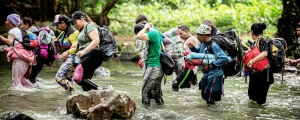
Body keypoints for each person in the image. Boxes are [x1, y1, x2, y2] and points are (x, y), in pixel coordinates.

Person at [187, 24, 228, 105]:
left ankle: (213, 114)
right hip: (206, 73)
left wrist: (211, 66)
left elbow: (224, 58)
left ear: (205, 35)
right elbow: (200, 53)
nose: (197, 36)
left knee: (210, 96)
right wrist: (192, 48)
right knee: (204, 94)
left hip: (215, 74)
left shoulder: (214, 45)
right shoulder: (203, 44)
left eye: (199, 35)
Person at [70, 11, 108, 91]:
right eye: (73, 23)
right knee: (85, 84)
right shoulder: (84, 29)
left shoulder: (89, 26)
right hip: (90, 55)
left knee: (78, 78)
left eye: (76, 22)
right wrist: (77, 44)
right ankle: (90, 97)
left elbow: (96, 40)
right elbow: (87, 40)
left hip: (94, 55)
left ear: (82, 19)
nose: (75, 25)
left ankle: (103, 89)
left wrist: (83, 51)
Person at [0, 14, 36, 88]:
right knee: (22, 79)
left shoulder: (12, 31)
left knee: (15, 80)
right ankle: (36, 88)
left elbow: (9, 42)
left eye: (7, 20)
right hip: (27, 56)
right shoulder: (19, 30)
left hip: (20, 57)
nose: (5, 22)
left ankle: (17, 97)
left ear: (12, 22)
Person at [134, 23, 164, 106]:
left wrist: (145, 28)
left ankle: (146, 115)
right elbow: (162, 48)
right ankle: (161, 109)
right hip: (158, 68)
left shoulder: (152, 33)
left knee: (145, 93)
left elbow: (139, 36)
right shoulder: (157, 33)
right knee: (156, 94)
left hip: (153, 67)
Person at [246, 23, 274, 106]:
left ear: (252, 32)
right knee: (253, 97)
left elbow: (264, 53)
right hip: (257, 73)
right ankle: (255, 115)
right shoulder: (256, 42)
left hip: (264, 74)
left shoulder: (262, 40)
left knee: (260, 100)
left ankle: (258, 115)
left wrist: (252, 61)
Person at [51, 14, 79, 93]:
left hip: (73, 58)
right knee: (68, 80)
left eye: (57, 25)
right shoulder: (63, 33)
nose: (56, 27)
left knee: (58, 78)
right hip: (67, 59)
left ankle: (75, 93)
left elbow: (77, 47)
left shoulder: (74, 33)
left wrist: (67, 52)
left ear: (63, 23)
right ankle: (72, 96)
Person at [172, 25, 199, 91]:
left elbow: (194, 53)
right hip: (188, 67)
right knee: (187, 87)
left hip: (189, 67)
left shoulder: (191, 39)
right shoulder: (187, 39)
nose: (180, 35)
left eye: (181, 33)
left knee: (176, 85)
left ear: (186, 31)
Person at [19, 17, 41, 83]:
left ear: (27, 25)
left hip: (35, 58)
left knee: (31, 79)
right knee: (32, 78)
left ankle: (36, 92)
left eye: (22, 24)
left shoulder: (29, 32)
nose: (20, 26)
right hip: (39, 57)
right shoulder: (35, 31)